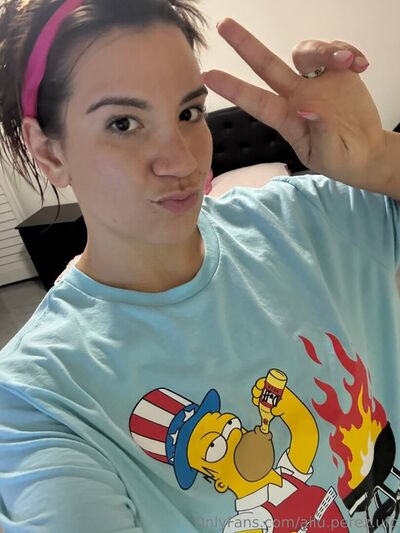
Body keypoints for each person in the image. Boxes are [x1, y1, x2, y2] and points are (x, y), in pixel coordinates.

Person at [0, 1, 399, 532]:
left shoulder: (309, 220)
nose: (183, 162)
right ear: (50, 152)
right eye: (123, 123)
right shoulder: (41, 398)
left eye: (189, 113)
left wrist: (379, 159)